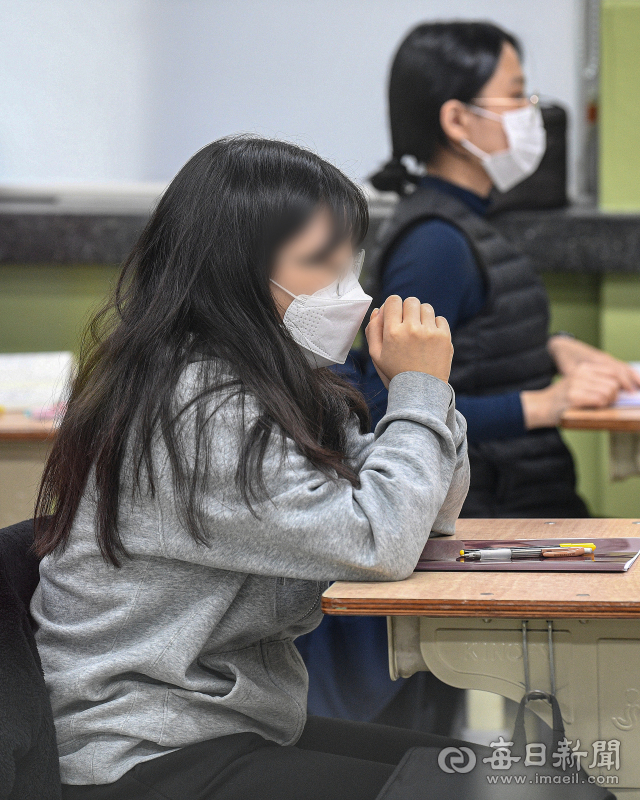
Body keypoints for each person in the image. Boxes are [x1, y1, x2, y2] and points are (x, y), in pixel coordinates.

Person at [29, 136, 469, 800]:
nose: (349, 291)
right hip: (146, 752)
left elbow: (429, 511)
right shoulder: (197, 405)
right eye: (322, 263)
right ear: (234, 270)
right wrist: (418, 390)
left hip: (230, 724)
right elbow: (381, 541)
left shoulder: (275, 383)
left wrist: (428, 390)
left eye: (351, 262)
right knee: (510, 789)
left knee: (514, 775)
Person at [298, 20, 640, 734]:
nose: (533, 113)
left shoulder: (466, 223)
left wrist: (558, 346)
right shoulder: (435, 245)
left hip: (519, 492)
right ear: (458, 119)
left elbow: (472, 343)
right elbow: (390, 404)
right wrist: (542, 406)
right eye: (516, 94)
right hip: (486, 507)